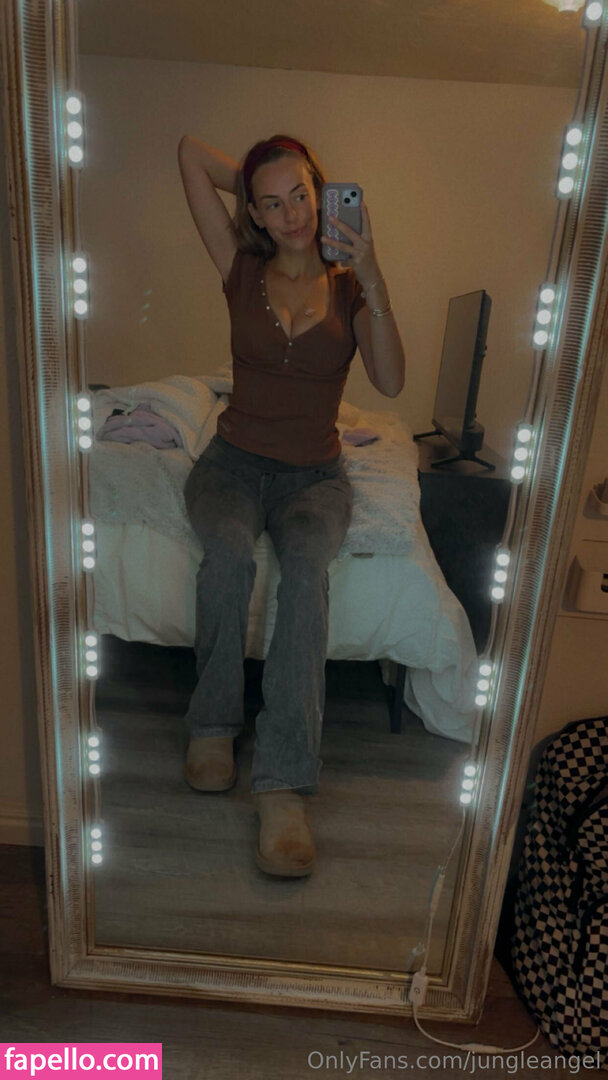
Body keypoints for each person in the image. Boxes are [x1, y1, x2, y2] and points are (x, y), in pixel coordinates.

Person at [177, 132, 405, 878]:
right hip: (231, 466)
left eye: (301, 194)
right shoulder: (240, 269)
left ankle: (282, 786)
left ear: (321, 189)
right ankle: (212, 726)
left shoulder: (350, 286)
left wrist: (374, 273)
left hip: (314, 479)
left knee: (305, 576)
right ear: (254, 214)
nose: (292, 214)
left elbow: (392, 381)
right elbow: (188, 152)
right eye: (271, 204)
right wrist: (255, 176)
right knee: (228, 555)